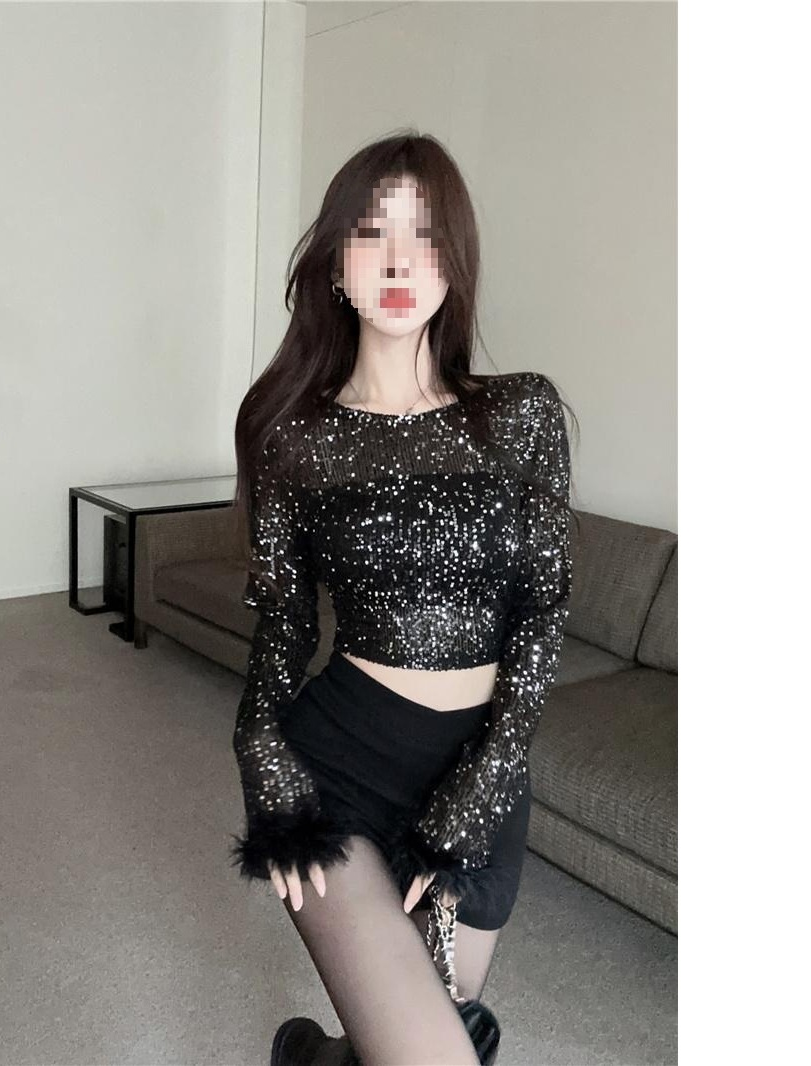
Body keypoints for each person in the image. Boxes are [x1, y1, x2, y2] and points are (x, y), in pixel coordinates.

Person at [228, 132, 578, 1066]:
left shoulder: (523, 414)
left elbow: (545, 609)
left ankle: (314, 1056)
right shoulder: (292, 434)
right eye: (371, 234)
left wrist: (488, 779)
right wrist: (261, 752)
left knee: (418, 1023)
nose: (397, 261)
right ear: (336, 264)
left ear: (454, 263)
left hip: (482, 771)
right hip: (339, 764)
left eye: (424, 236)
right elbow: (284, 625)